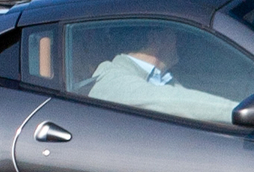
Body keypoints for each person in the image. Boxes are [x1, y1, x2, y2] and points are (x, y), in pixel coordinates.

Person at [84, 25, 239, 124]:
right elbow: (170, 100)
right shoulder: (113, 78)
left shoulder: (160, 77)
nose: (178, 40)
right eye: (174, 33)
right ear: (155, 38)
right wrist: (236, 112)